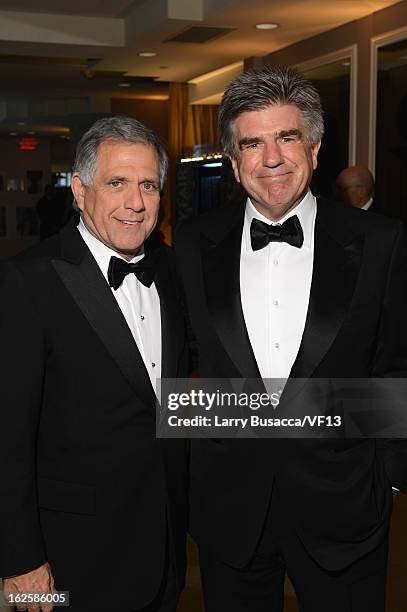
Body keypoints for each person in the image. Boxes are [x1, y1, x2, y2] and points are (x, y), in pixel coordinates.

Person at [174, 67, 407, 612]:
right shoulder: (191, 244)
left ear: (315, 147)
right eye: (252, 143)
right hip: (230, 511)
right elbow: (175, 360)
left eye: (287, 137)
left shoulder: (381, 242)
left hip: (345, 508)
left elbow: (395, 363)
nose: (271, 158)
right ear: (233, 161)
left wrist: (390, 476)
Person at [0, 116, 188, 612]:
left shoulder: (169, 269)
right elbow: (7, 437)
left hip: (165, 551)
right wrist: (19, 560)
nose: (136, 202)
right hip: (69, 559)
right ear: (80, 192)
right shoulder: (27, 283)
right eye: (117, 183)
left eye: (148, 184)